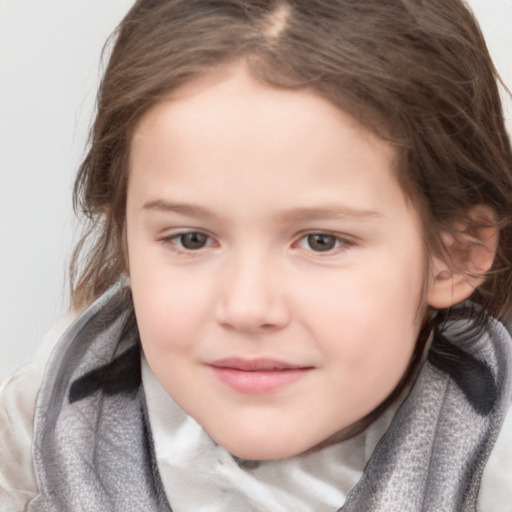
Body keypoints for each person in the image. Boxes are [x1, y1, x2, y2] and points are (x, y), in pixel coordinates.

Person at [1, 0, 512, 510]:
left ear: (456, 252)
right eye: (191, 239)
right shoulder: (29, 447)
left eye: (321, 241)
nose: (247, 307)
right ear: (125, 240)